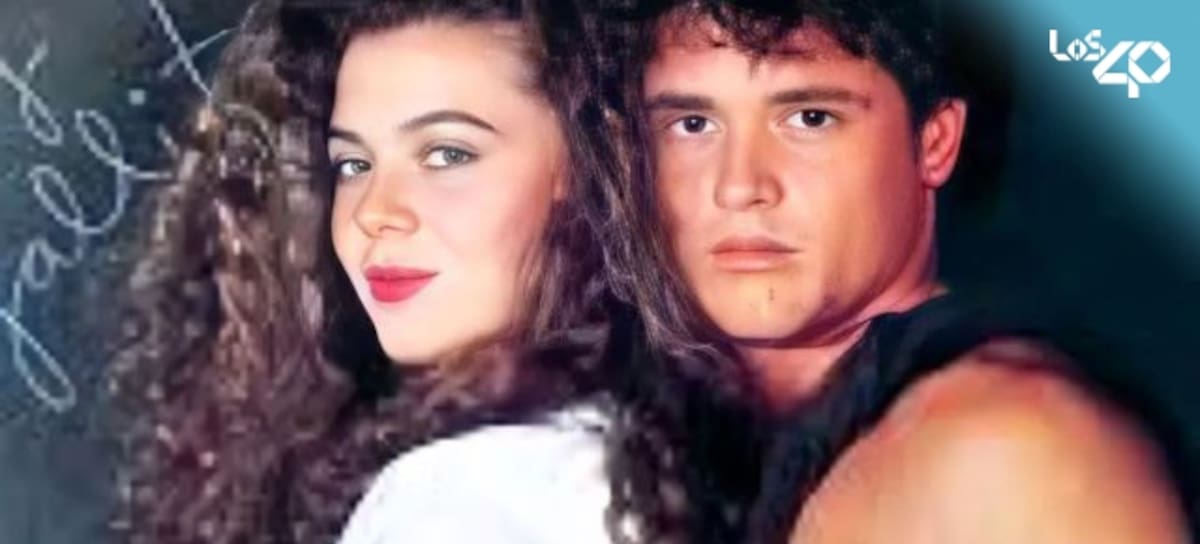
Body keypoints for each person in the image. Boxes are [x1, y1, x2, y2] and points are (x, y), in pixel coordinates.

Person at [111, 1, 710, 542]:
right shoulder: (622, 462)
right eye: (353, 165)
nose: (375, 213)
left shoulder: (475, 492)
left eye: (446, 154)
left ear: (587, 166)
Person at [594, 1, 1193, 542]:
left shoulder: (1011, 445)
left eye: (810, 118)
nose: (739, 186)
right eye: (693, 125)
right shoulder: (683, 441)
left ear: (934, 143)